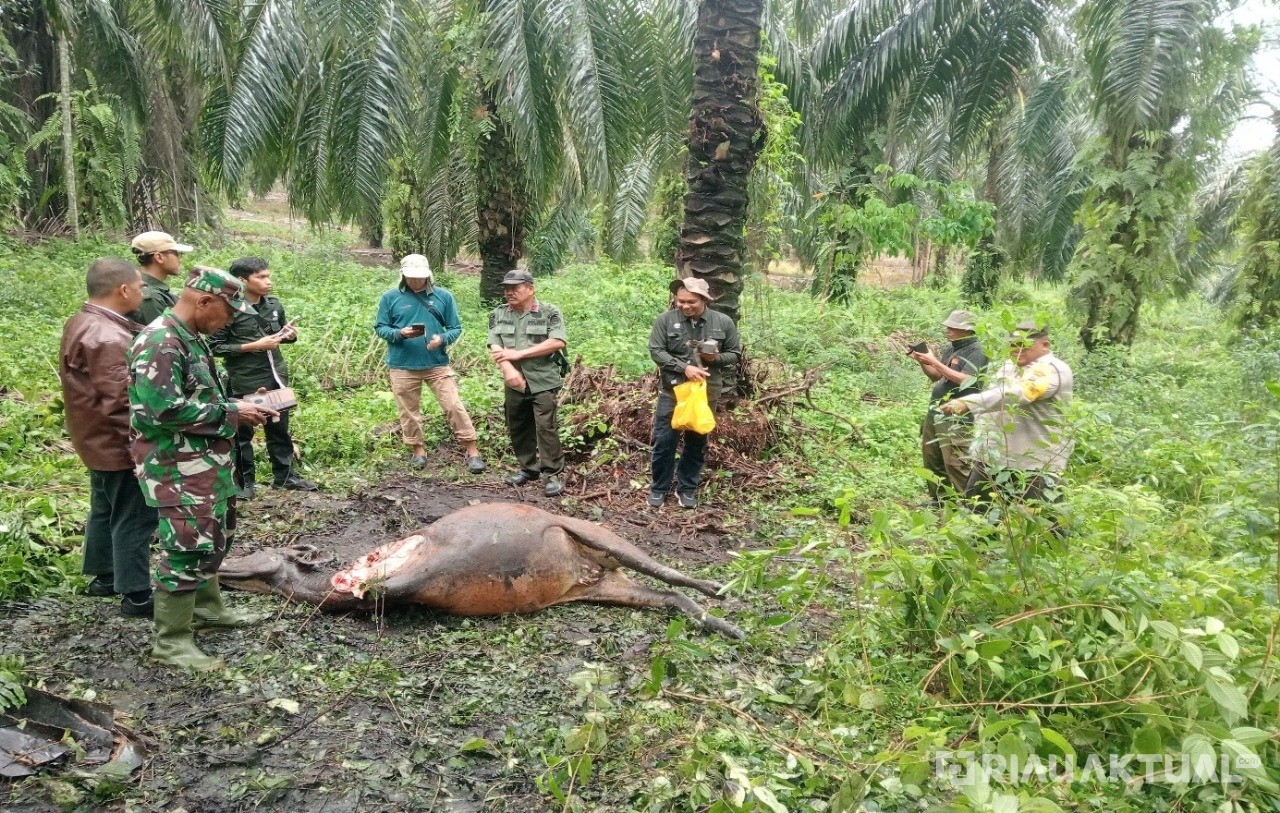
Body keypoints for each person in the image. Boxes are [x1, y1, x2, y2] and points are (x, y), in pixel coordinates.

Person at [128, 267, 278, 671]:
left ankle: (208, 609)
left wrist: (245, 404)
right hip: (176, 465)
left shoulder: (192, 338)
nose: (229, 322)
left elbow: (196, 395)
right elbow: (160, 409)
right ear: (204, 301)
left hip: (206, 460)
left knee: (214, 533)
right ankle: (171, 641)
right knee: (185, 545)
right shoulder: (161, 341)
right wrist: (232, 411)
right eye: (228, 313)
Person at [58, 258, 159, 618]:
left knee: (104, 508)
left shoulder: (82, 320)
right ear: (124, 289)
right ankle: (136, 594)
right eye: (141, 286)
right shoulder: (108, 337)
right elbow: (122, 403)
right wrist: (142, 449)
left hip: (94, 440)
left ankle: (104, 576)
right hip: (117, 445)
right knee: (134, 516)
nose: (143, 292)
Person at [211, 257, 315, 498]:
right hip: (244, 379)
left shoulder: (274, 305)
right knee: (243, 434)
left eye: (268, 276)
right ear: (242, 280)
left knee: (279, 429)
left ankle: (285, 476)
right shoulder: (229, 309)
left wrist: (288, 336)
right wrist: (253, 346)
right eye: (261, 277)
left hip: (275, 377)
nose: (268, 281)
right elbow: (215, 347)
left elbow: (279, 334)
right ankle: (244, 483)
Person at [941, 321, 1074, 504]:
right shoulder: (1008, 367)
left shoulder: (1052, 370)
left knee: (1043, 524)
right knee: (976, 517)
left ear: (1045, 345)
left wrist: (968, 402)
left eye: (1024, 346)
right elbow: (993, 398)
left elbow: (1017, 394)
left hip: (1035, 464)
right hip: (993, 458)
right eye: (1013, 345)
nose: (1017, 350)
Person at [375, 254, 485, 473]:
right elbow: (380, 327)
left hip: (437, 364)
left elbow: (455, 328)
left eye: (420, 277)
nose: (416, 281)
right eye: (411, 277)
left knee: (453, 405)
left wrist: (441, 339)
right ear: (403, 275)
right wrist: (400, 334)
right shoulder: (390, 298)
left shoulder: (444, 297)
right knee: (408, 411)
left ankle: (472, 451)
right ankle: (418, 451)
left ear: (429, 275)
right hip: (402, 365)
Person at [647, 277, 741, 509]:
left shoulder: (723, 322)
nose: (685, 306)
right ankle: (659, 488)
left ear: (704, 300)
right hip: (673, 392)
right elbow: (656, 351)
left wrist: (714, 358)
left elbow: (735, 354)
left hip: (705, 394)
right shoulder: (665, 321)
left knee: (697, 442)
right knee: (664, 442)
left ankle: (687, 489)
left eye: (691, 302)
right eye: (680, 301)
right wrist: (684, 367)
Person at [488, 270, 569, 498]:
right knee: (518, 424)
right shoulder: (498, 314)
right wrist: (508, 370)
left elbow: (557, 341)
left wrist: (519, 355)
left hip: (542, 378)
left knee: (546, 426)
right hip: (514, 380)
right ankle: (528, 468)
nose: (509, 292)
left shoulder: (549, 312)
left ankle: (552, 473)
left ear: (531, 289)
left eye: (515, 287)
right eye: (506, 288)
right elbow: (494, 345)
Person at [908, 309, 988, 503]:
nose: (948, 329)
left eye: (954, 327)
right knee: (932, 456)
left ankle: (969, 504)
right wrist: (923, 361)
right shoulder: (952, 348)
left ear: (967, 330)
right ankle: (940, 499)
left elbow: (969, 381)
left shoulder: (977, 351)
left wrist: (934, 361)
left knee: (957, 461)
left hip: (958, 415)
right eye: (949, 326)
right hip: (937, 410)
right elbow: (938, 376)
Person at [126, 231, 193, 326]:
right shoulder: (151, 297)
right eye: (176, 254)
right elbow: (161, 336)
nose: (179, 259)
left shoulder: (153, 290)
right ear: (159, 257)